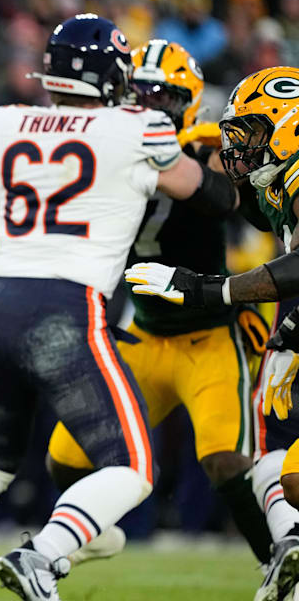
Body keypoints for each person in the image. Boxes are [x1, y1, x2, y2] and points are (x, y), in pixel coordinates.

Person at [0, 14, 237, 601]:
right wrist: (209, 156)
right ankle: (44, 554)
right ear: (113, 74)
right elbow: (208, 196)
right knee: (131, 468)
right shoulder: (140, 128)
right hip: (66, 308)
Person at [44, 39, 273, 573]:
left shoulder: (201, 145)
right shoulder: (103, 148)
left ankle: (280, 564)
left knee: (224, 459)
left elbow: (226, 200)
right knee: (66, 456)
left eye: (163, 97)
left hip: (210, 334)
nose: (149, 106)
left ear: (187, 103)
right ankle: (89, 531)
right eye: (139, 94)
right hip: (145, 332)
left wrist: (173, 158)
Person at [125, 65, 299, 601]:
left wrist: (208, 290)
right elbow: (246, 206)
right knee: (282, 468)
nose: (238, 147)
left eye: (250, 132)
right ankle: (289, 549)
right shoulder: (280, 180)